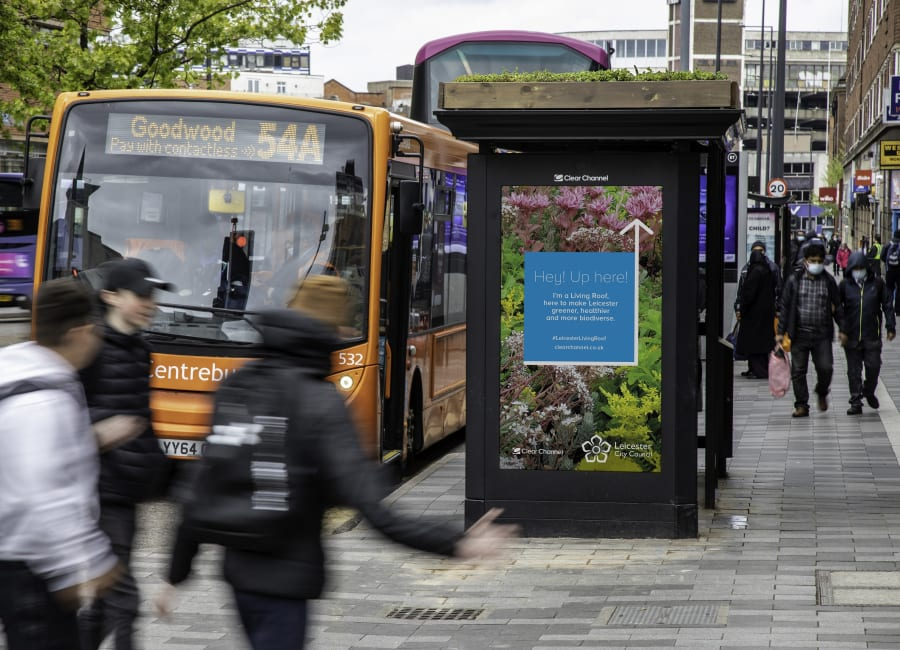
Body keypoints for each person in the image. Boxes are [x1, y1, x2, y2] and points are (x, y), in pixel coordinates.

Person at [156, 275, 517, 649]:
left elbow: (198, 489)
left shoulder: (236, 386)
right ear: (331, 330)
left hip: (239, 577)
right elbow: (376, 513)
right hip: (287, 580)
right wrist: (457, 543)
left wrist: (173, 577)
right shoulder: (320, 402)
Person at [0, 278, 121, 650]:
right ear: (81, 331)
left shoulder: (17, 375)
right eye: (96, 330)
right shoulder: (45, 400)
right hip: (31, 568)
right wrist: (85, 563)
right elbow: (43, 493)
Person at [77, 258, 175, 650]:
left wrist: (166, 476)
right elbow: (66, 414)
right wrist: (100, 430)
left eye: (154, 295)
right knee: (126, 600)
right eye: (142, 295)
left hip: (127, 495)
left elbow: (142, 419)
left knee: (103, 603)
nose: (150, 303)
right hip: (96, 495)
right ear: (111, 297)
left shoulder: (141, 351)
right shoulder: (89, 348)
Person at [776, 241, 842, 417]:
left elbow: (838, 306)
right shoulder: (794, 281)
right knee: (798, 371)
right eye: (812, 260)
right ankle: (801, 405)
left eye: (819, 261)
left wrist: (843, 329)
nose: (816, 264)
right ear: (805, 261)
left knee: (826, 368)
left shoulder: (828, 282)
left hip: (822, 334)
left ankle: (821, 391)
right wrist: (780, 333)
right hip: (799, 333)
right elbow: (785, 307)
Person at [838, 252, 896, 415]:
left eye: (861, 268)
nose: (858, 271)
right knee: (854, 370)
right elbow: (837, 308)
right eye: (855, 268)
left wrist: (890, 326)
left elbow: (887, 304)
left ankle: (868, 390)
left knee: (874, 366)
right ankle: (856, 401)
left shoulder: (877, 284)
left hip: (872, 335)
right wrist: (842, 329)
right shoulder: (844, 285)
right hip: (852, 336)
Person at [734, 240, 781, 377]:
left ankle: (758, 370)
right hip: (765, 314)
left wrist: (741, 309)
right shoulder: (768, 270)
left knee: (753, 344)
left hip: (753, 315)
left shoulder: (753, 271)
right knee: (762, 344)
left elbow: (747, 293)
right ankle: (757, 369)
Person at [883, 229, 900, 314]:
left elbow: (882, 256)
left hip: (889, 270)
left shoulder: (888, 244)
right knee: (899, 290)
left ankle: (889, 307)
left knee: (889, 289)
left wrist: (887, 263)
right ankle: (898, 310)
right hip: (899, 271)